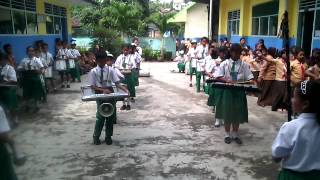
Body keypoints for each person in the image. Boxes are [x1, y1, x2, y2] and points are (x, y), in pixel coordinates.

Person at [272, 80, 320, 180]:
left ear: (305, 104)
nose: (291, 100)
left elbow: (276, 156)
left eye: (294, 97)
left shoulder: (290, 127)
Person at [216, 43, 254, 144]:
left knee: (237, 112)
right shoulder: (225, 63)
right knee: (228, 112)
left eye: (240, 53)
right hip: (227, 91)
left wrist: (251, 80)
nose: (239, 55)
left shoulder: (244, 65)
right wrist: (226, 80)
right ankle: (227, 134)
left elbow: (250, 77)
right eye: (237, 53)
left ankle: (235, 134)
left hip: (239, 92)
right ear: (232, 52)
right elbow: (218, 76)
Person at [89, 50, 127, 145]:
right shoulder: (93, 71)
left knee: (110, 116)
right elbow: (92, 86)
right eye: (100, 61)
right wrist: (102, 90)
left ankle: (108, 136)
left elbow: (117, 83)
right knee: (101, 116)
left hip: (110, 93)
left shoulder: (111, 70)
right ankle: (96, 136)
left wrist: (125, 90)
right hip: (100, 93)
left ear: (106, 59)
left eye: (104, 60)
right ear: (96, 61)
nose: (102, 63)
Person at [18, 46, 44, 112]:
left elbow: (42, 68)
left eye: (32, 51)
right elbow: (18, 68)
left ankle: (36, 106)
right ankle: (27, 106)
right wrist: (24, 68)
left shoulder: (37, 60)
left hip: (35, 77)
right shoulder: (24, 60)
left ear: (34, 52)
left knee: (36, 91)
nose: (31, 52)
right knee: (26, 92)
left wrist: (39, 71)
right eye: (29, 51)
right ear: (27, 52)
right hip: (27, 77)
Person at [115, 44, 136, 110]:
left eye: (127, 50)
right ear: (122, 50)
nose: (125, 51)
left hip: (128, 75)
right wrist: (120, 70)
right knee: (122, 89)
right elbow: (116, 65)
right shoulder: (119, 57)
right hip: (121, 75)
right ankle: (123, 104)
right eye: (124, 50)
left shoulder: (131, 57)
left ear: (129, 50)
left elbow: (133, 66)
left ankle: (128, 104)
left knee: (128, 89)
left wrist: (128, 69)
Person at [0, 52, 19, 126]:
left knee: (12, 106)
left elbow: (13, 81)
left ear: (5, 60)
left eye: (1, 60)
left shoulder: (10, 68)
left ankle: (15, 119)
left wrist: (4, 83)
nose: (0, 62)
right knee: (3, 107)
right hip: (1, 90)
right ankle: (7, 121)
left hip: (8, 90)